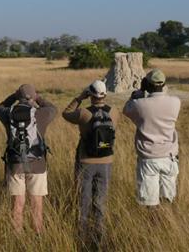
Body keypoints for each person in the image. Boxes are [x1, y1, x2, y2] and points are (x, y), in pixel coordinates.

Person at [62, 79, 120, 249]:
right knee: (100, 200)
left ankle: (82, 235)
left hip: (86, 160)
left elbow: (66, 113)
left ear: (91, 94)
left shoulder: (83, 113)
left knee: (84, 199)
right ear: (105, 95)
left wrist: (79, 98)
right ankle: (99, 235)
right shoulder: (114, 112)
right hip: (106, 161)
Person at [0, 84, 57, 233]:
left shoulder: (7, 113)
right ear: (33, 97)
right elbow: (53, 108)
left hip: (15, 164)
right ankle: (38, 235)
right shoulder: (40, 114)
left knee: (17, 204)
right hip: (37, 164)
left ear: (18, 97)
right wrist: (38, 98)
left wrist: (13, 96)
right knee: (37, 204)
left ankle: (17, 237)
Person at [123, 69, 181, 207]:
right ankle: (167, 225)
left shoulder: (139, 104)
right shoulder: (175, 102)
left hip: (149, 158)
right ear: (164, 84)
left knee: (149, 203)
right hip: (169, 157)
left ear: (147, 84)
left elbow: (126, 109)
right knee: (168, 199)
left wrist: (136, 95)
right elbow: (163, 97)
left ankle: (151, 226)